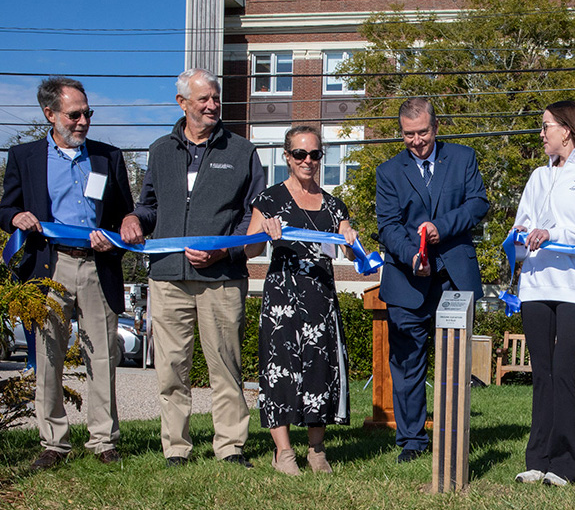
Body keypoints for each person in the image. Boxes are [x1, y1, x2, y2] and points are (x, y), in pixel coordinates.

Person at [120, 68, 266, 468]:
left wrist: (223, 251)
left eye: (216, 98)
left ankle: (231, 447)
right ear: (182, 103)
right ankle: (176, 449)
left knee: (226, 367)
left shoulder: (241, 152)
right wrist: (135, 219)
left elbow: (255, 214)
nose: (212, 105)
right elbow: (149, 206)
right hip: (167, 277)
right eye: (203, 99)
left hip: (221, 278)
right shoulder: (159, 150)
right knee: (170, 368)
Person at [0, 76, 134, 469]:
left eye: (87, 113)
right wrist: (16, 216)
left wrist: (121, 232)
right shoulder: (24, 157)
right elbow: (5, 209)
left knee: (103, 354)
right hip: (49, 265)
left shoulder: (108, 157)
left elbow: (125, 211)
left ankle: (104, 439)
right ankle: (54, 443)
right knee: (48, 356)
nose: (83, 122)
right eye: (74, 114)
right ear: (50, 114)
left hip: (98, 266)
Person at [375, 97, 489, 463]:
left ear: (435, 128)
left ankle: (452, 434)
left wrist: (440, 229)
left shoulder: (463, 158)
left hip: (453, 278)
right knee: (407, 362)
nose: (417, 140)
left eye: (422, 132)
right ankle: (411, 440)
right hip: (407, 280)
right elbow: (388, 225)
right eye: (409, 135)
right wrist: (413, 255)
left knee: (454, 362)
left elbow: (477, 204)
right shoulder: (388, 172)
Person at [511, 100, 575, 487]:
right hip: (535, 285)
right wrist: (520, 237)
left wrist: (554, 234)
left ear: (567, 130)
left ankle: (565, 464)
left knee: (562, 373)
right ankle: (536, 459)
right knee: (540, 374)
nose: (541, 134)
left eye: (546, 127)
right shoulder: (537, 177)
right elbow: (522, 228)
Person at [244, 125, 358, 475]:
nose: (308, 161)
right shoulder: (270, 200)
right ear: (286, 156)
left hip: (321, 301)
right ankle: (284, 452)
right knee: (280, 372)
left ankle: (317, 450)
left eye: (315, 155)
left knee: (318, 374)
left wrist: (352, 238)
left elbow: (354, 258)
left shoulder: (335, 205)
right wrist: (263, 231)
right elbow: (248, 251)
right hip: (282, 301)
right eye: (300, 155)